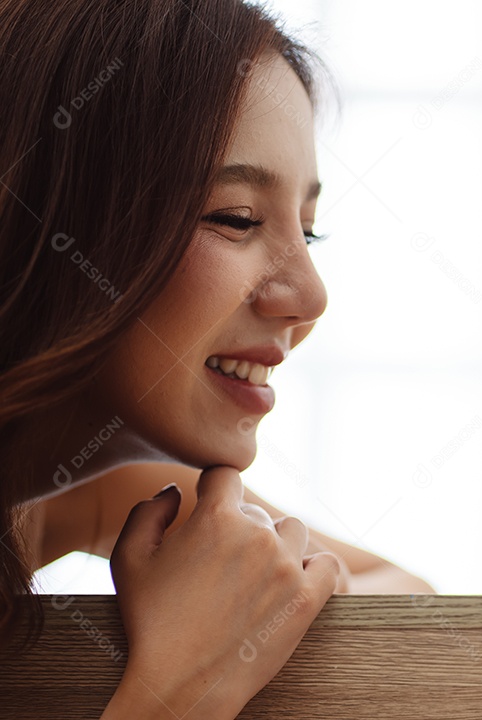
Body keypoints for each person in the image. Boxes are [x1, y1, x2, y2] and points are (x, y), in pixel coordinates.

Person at [0, 1, 430, 716]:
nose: (311, 296)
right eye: (236, 218)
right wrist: (184, 685)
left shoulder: (80, 487)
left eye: (310, 233)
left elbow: (403, 590)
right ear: (54, 222)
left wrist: (268, 597)